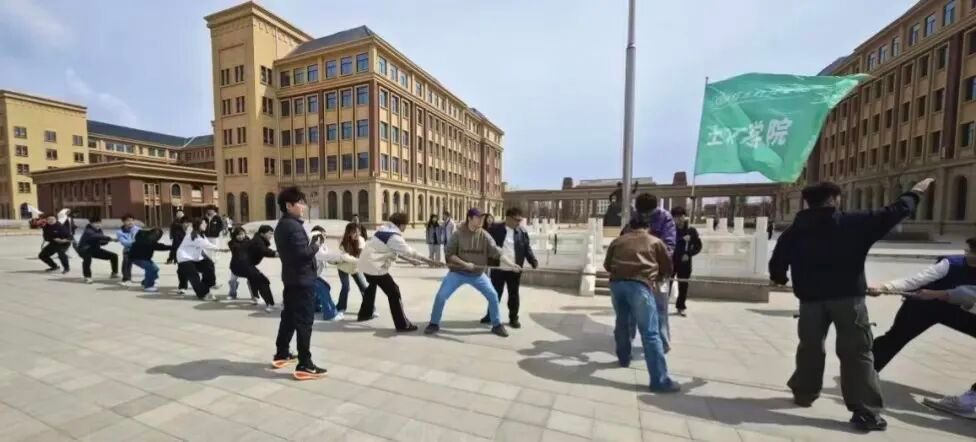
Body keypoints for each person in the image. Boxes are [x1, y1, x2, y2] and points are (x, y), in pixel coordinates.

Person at [769, 178, 933, 432]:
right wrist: (915, 192)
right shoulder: (853, 222)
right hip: (848, 300)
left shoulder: (795, 230)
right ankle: (865, 411)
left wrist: (780, 278)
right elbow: (894, 212)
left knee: (810, 348)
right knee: (857, 353)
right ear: (833, 199)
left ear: (808, 202)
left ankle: (804, 393)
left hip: (810, 302)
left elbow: (777, 263)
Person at [869, 238, 976, 372]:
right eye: (971, 251)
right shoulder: (951, 264)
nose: (971, 256)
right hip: (924, 306)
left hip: (957, 309)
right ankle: (862, 372)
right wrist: (885, 287)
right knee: (896, 338)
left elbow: (966, 294)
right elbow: (916, 280)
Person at [604, 205, 678, 393]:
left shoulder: (618, 241)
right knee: (650, 333)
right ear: (648, 227)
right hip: (640, 285)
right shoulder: (655, 241)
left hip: (617, 285)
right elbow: (667, 267)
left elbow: (607, 265)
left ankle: (623, 358)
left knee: (622, 322)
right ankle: (659, 380)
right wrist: (657, 276)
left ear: (631, 226)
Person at [425, 208, 520, 338]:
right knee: (441, 296)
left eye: (482, 218)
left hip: (477, 275)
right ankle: (433, 323)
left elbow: (498, 252)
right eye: (478, 217)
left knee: (493, 295)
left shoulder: (485, 235)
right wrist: (465, 264)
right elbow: (450, 254)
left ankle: (497, 325)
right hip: (458, 273)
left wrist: (511, 265)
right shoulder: (458, 234)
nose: (481, 220)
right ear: (469, 218)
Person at [272, 187, 327, 379]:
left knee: (289, 317)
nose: (303, 206)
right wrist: (316, 245)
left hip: (292, 279)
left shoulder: (283, 225)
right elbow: (302, 254)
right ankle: (305, 364)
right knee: (304, 321)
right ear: (289, 205)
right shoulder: (293, 227)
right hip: (302, 281)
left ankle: (282, 353)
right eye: (300, 203)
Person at [358, 212, 442, 332]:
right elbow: (409, 251)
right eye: (405, 225)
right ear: (401, 224)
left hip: (364, 265)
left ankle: (364, 314)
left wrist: (410, 261)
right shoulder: (394, 237)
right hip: (374, 267)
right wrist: (429, 261)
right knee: (394, 292)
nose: (405, 227)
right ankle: (402, 324)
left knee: (371, 286)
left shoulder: (383, 229)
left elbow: (393, 249)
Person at [482, 207, 538, 328]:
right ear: (507, 218)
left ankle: (513, 318)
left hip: (515, 269)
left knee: (513, 295)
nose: (518, 223)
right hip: (498, 268)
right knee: (495, 293)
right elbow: (485, 241)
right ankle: (490, 315)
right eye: (516, 220)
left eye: (520, 220)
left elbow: (527, 249)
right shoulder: (495, 229)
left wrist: (533, 261)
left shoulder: (522, 232)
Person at [232, 225, 278, 311]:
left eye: (272, 233)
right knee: (263, 280)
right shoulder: (258, 241)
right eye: (269, 233)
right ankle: (270, 304)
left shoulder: (258, 239)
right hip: (242, 265)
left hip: (241, 265)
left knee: (253, 278)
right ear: (262, 234)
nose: (271, 235)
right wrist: (278, 254)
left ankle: (255, 298)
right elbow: (264, 251)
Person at [176, 218, 219, 301]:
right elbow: (206, 245)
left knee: (209, 265)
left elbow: (207, 243)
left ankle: (206, 286)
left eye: (206, 223)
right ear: (198, 225)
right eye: (203, 223)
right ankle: (203, 294)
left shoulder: (202, 235)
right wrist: (220, 249)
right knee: (194, 276)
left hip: (195, 259)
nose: (206, 225)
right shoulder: (193, 235)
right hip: (185, 259)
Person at [670, 207, 702, 316]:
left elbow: (698, 246)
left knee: (683, 285)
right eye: (676, 217)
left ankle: (681, 307)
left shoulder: (691, 230)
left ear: (685, 216)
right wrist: (681, 239)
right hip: (671, 260)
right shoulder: (670, 229)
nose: (679, 219)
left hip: (685, 262)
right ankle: (662, 306)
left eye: (681, 216)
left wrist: (689, 254)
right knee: (667, 283)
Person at [336, 222, 368, 316]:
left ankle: (370, 309)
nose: (357, 234)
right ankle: (341, 308)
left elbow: (362, 254)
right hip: (343, 267)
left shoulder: (361, 240)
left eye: (358, 232)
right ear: (349, 233)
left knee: (364, 287)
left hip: (355, 268)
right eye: (354, 232)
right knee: (346, 287)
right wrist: (359, 260)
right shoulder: (342, 242)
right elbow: (345, 257)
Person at [310, 225, 340, 321]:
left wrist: (336, 261)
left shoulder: (322, 246)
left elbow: (328, 256)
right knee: (323, 289)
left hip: (313, 275)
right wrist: (342, 257)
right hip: (307, 276)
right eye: (323, 235)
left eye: (325, 235)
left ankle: (315, 307)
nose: (325, 237)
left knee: (325, 286)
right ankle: (330, 314)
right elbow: (326, 256)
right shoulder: (314, 247)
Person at [128, 228, 171, 293]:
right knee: (151, 268)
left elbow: (159, 246)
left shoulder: (149, 239)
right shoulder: (143, 237)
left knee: (155, 268)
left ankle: (146, 281)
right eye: (155, 235)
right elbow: (159, 247)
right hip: (136, 258)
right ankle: (148, 286)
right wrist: (172, 247)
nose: (156, 237)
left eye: (158, 236)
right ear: (151, 233)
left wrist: (172, 247)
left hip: (144, 258)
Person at [77, 216, 118, 283]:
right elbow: (96, 236)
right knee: (87, 258)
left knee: (114, 256)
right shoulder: (88, 231)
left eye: (99, 223)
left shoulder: (99, 230)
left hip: (95, 249)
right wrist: (110, 239)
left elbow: (101, 240)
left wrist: (105, 241)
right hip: (84, 250)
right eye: (96, 223)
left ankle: (114, 273)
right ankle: (87, 277)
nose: (98, 225)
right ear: (91, 224)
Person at [204, 206, 231, 295]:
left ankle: (213, 261)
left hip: (214, 238)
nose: (209, 211)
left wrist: (217, 232)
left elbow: (222, 226)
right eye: (208, 210)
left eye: (211, 210)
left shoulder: (217, 218)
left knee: (214, 253)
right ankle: (209, 265)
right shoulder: (205, 217)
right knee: (207, 254)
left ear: (214, 211)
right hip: (206, 237)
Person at [116, 214, 140, 285]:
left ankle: (150, 278)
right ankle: (126, 279)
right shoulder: (120, 232)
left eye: (132, 220)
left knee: (149, 263)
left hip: (138, 250)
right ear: (123, 222)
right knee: (126, 262)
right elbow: (124, 243)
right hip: (128, 250)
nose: (130, 222)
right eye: (128, 221)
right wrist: (135, 242)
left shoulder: (138, 229)